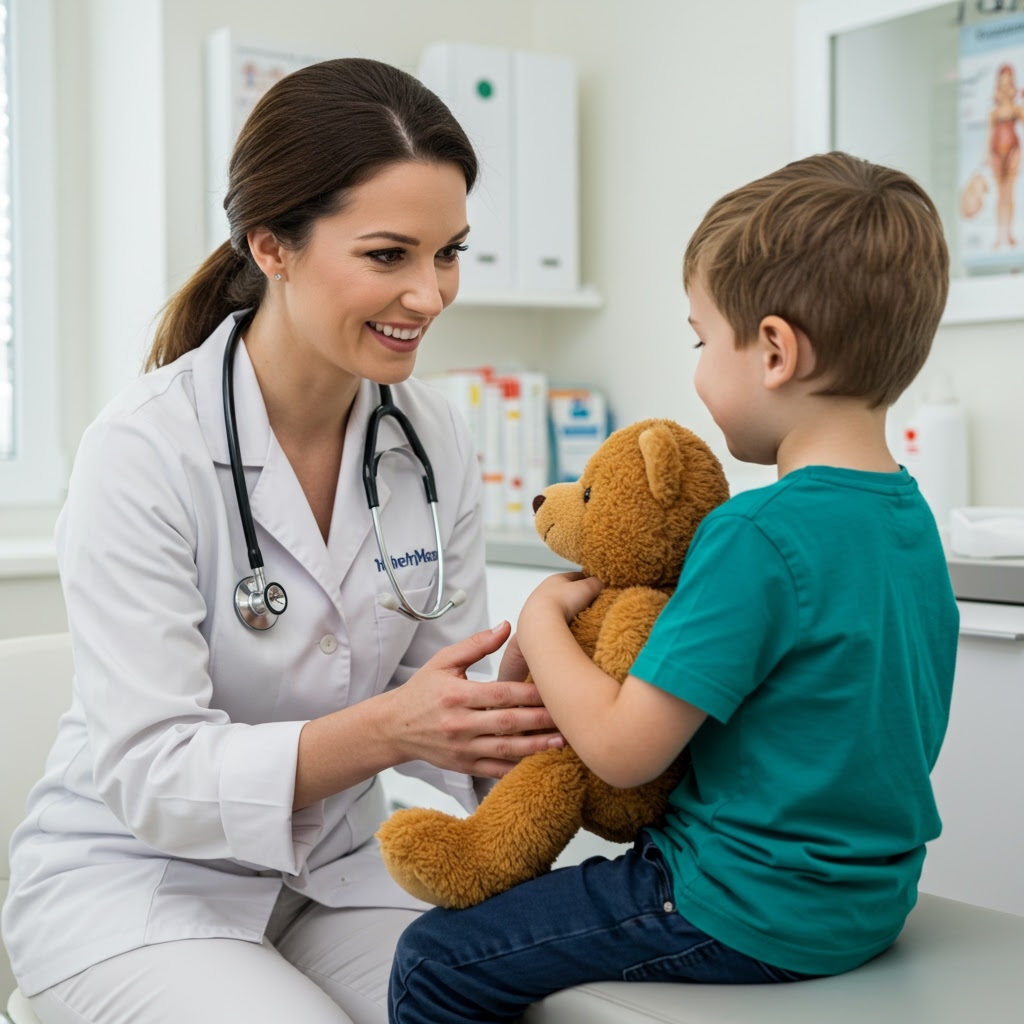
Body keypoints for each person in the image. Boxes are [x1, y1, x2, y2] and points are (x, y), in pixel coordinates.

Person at [1, 57, 566, 1024]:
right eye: (389, 256)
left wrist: (566, 710)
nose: (430, 296)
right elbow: (152, 774)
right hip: (140, 888)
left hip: (335, 876)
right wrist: (391, 729)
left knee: (508, 998)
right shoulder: (145, 450)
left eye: (449, 253)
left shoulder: (429, 438)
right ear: (272, 246)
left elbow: (445, 704)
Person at [388, 151, 959, 1023]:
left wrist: (542, 620)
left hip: (740, 907)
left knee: (433, 960)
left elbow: (624, 752)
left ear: (773, 349)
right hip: (870, 904)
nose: (696, 368)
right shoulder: (910, 519)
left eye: (701, 339)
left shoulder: (754, 533)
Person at [988, 62, 1023, 249]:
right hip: (996, 152)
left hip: (1013, 150)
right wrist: (987, 155)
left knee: (1010, 193)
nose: (1005, 87)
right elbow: (989, 134)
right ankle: (998, 234)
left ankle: (1009, 233)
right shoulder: (994, 112)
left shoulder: (1016, 109)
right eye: (1002, 83)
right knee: (1000, 195)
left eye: (1008, 83)